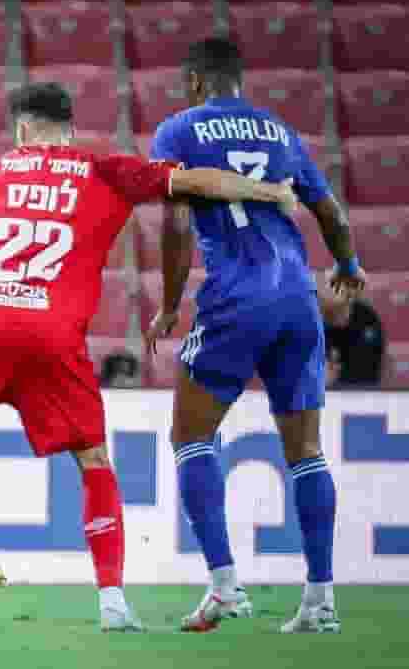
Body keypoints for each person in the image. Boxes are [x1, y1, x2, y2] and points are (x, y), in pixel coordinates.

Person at [0, 81, 304, 632]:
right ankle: (112, 605)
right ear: (70, 129)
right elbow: (195, 181)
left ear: (22, 130)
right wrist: (270, 193)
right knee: (93, 464)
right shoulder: (105, 169)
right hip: (54, 337)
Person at [143, 38, 366, 633]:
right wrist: (347, 267)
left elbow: (177, 218)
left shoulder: (179, 129)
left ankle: (224, 588)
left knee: (190, 433)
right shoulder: (282, 134)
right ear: (239, 83)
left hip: (237, 297)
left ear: (194, 82)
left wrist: (168, 305)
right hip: (298, 299)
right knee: (307, 451)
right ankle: (320, 602)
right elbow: (332, 214)